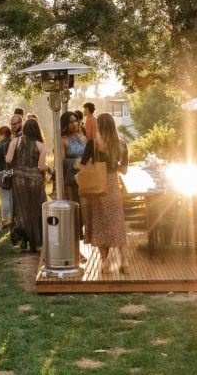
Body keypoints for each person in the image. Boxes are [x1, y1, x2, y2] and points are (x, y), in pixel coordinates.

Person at [79, 113, 129, 274]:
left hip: (98, 188)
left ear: (99, 126)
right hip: (113, 188)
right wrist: (113, 164)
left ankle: (105, 262)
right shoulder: (122, 145)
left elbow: (82, 166)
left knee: (100, 225)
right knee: (117, 224)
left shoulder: (93, 144)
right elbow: (124, 170)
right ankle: (125, 262)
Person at [6, 118, 48, 253]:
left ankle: (24, 239)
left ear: (24, 129)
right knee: (35, 210)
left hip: (19, 179)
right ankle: (34, 242)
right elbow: (42, 166)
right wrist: (49, 168)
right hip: (35, 179)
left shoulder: (15, 141)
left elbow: (8, 159)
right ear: (37, 130)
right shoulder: (40, 145)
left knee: (22, 209)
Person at [61, 111, 87, 206]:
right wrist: (75, 162)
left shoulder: (84, 138)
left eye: (75, 121)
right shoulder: (62, 139)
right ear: (65, 124)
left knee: (85, 206)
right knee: (75, 206)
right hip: (71, 178)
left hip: (85, 177)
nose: (74, 124)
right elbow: (61, 161)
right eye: (70, 122)